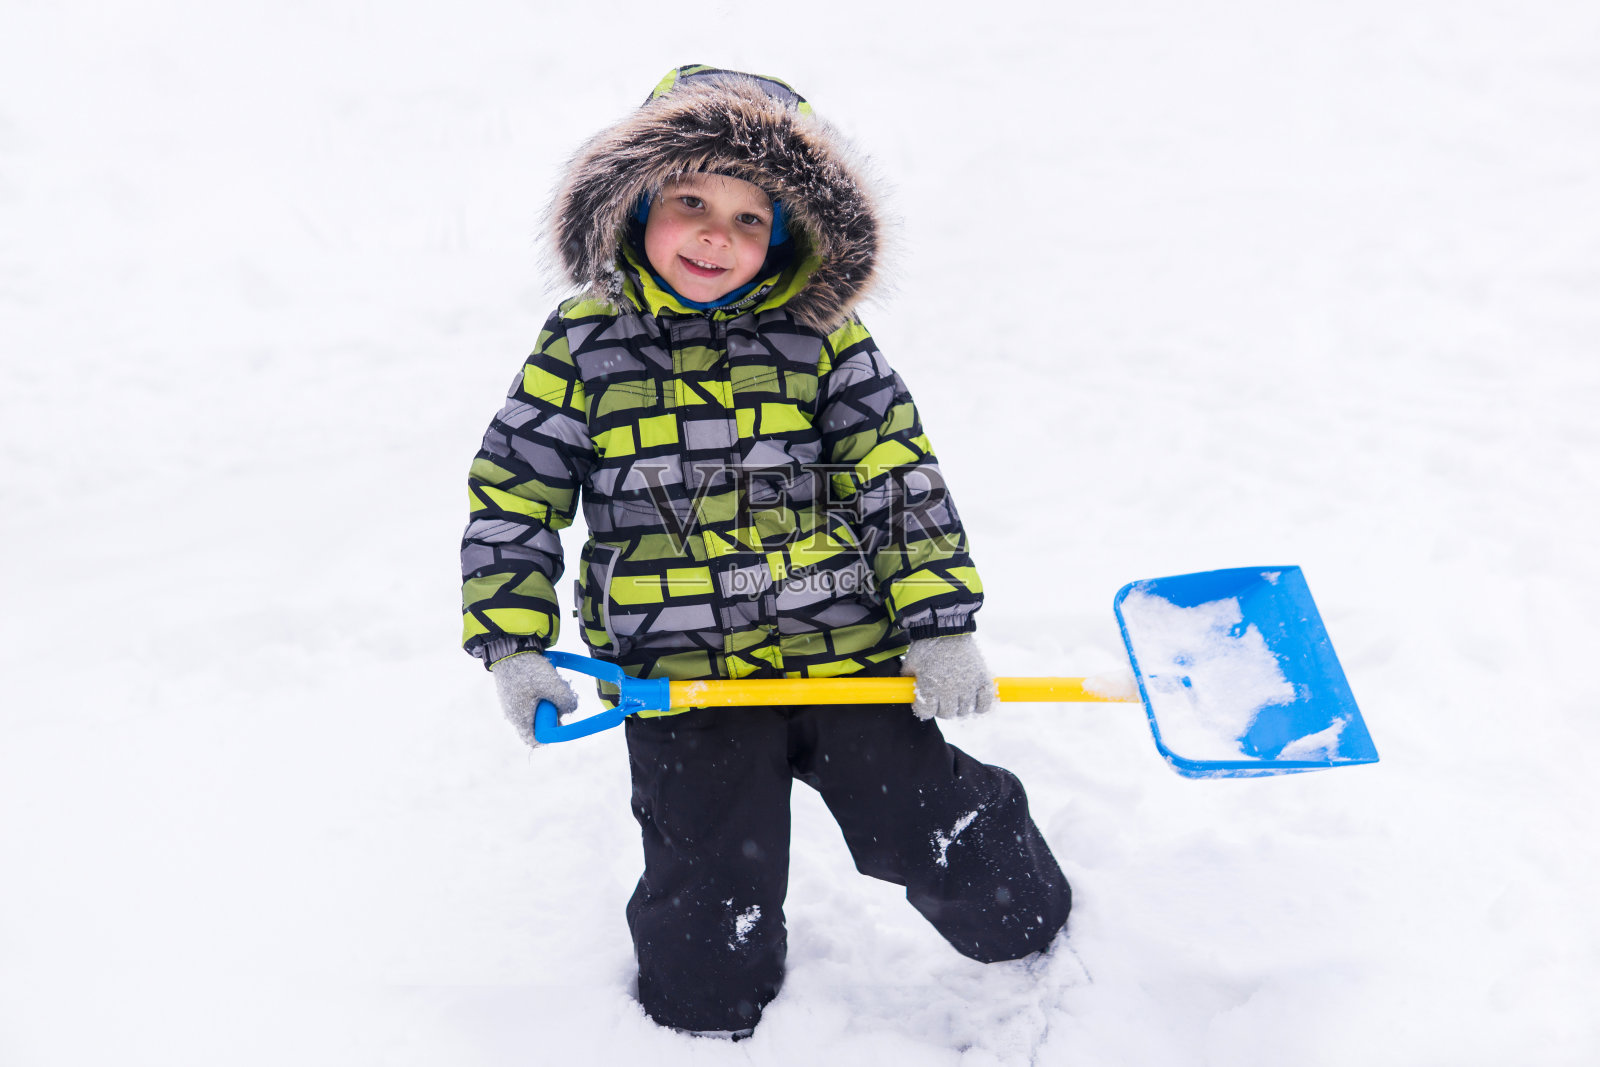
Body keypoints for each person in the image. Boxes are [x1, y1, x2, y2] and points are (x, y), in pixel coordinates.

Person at [460, 65, 1071, 1037]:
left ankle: (1037, 927)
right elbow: (514, 493)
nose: (715, 235)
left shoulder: (821, 339)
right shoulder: (580, 344)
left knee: (924, 819)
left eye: (752, 219)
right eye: (692, 200)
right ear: (630, 204)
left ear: (790, 237)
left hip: (843, 654)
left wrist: (938, 625)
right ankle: (702, 1021)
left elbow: (894, 474)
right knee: (706, 895)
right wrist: (511, 641)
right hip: (682, 680)